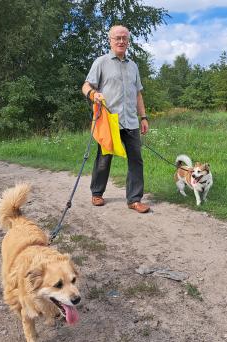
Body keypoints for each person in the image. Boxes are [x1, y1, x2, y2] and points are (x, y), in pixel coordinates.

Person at [82, 25, 150, 213]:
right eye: (117, 38)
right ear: (110, 40)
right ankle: (97, 193)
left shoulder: (133, 66)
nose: (121, 41)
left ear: (128, 41)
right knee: (104, 159)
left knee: (136, 159)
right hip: (109, 121)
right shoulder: (101, 62)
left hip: (131, 121)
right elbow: (86, 86)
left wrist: (143, 117)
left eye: (124, 38)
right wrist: (93, 94)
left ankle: (134, 200)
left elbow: (138, 94)